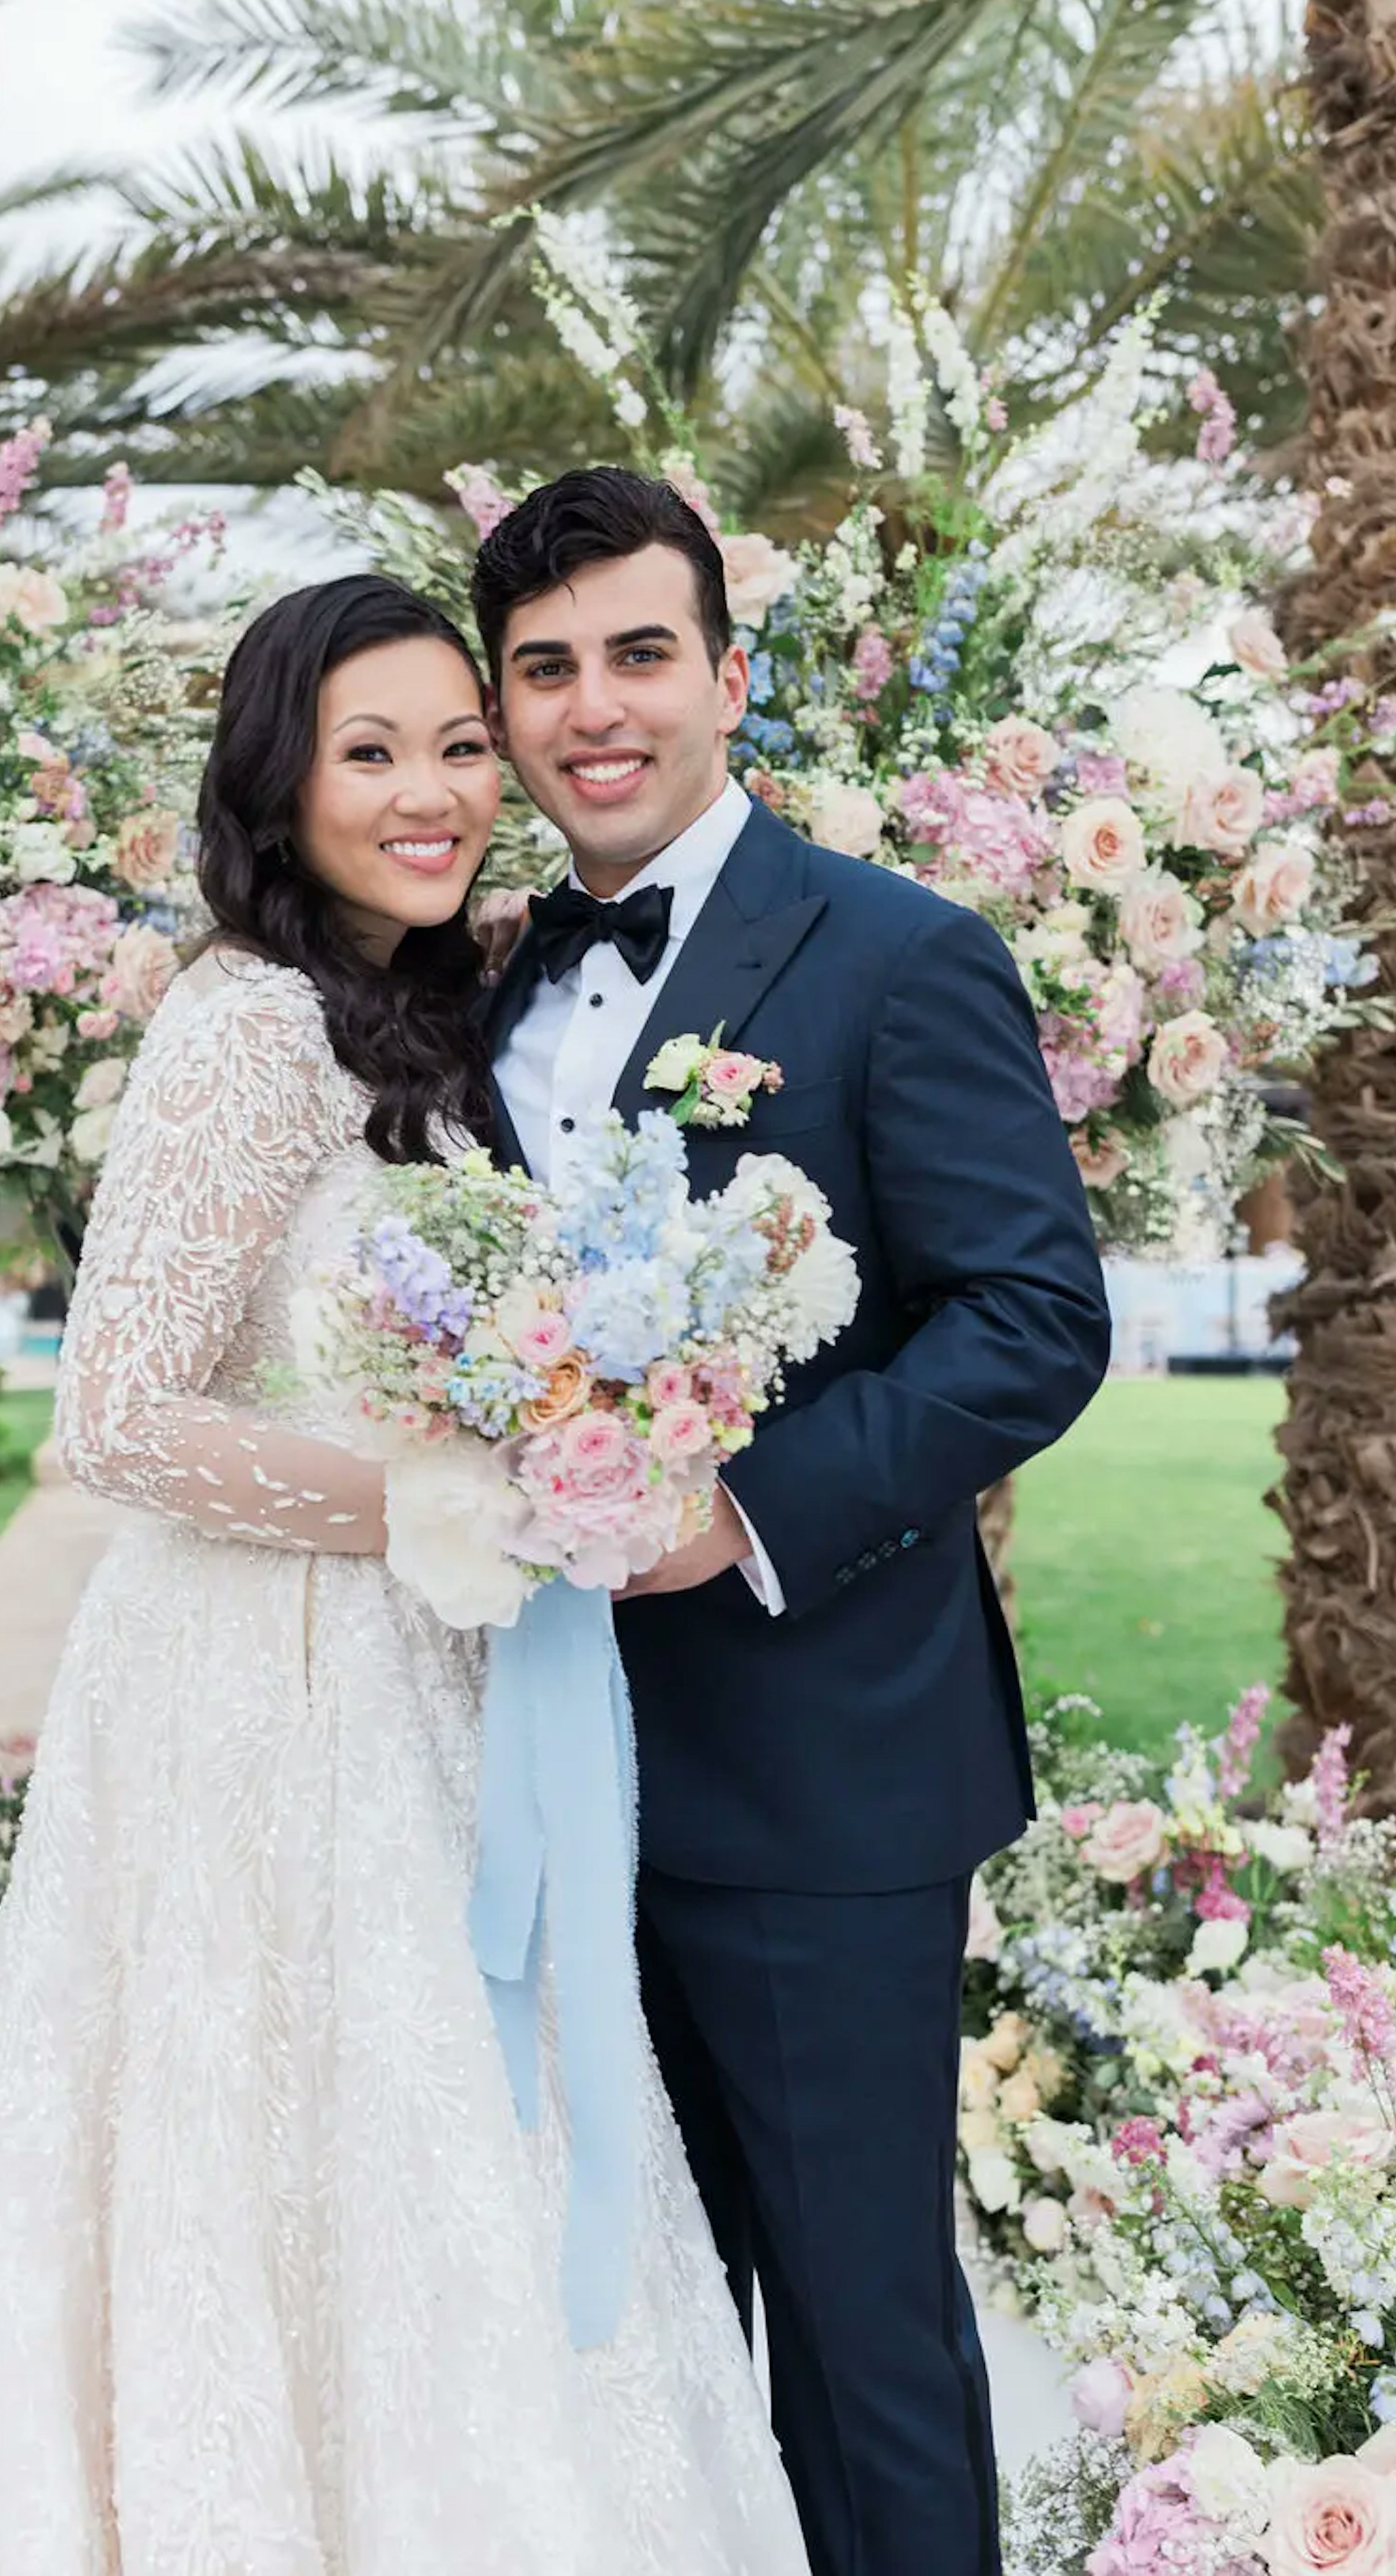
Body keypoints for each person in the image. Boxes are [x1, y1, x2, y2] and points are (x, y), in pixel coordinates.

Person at [0, 574, 811, 2576]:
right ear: (278, 784)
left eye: (460, 743)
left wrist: (557, 1447)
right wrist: (448, 1500)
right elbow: (117, 1414)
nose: (432, 789)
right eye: (367, 752)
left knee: (438, 2145)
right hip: (256, 1682)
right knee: (263, 2144)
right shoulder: (245, 1020)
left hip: (437, 1679)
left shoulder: (445, 1007)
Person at [476, 471, 1113, 2576]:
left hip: (820, 1777)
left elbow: (1031, 1320)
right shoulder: (465, 990)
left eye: (640, 652)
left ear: (728, 675)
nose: (598, 706)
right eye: (548, 666)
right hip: (515, 1783)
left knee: (856, 2345)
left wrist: (727, 1512)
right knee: (589, 2342)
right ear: (501, 706)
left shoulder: (902, 953)